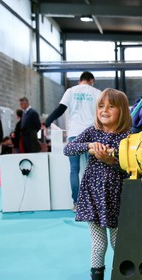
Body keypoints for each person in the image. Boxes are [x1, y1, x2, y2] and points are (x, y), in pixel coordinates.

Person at [63, 88, 131, 280]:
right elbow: (68, 149)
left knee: (118, 243)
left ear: (122, 111)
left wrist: (112, 161)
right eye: (101, 106)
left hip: (118, 196)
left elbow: (131, 165)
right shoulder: (91, 132)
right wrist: (89, 146)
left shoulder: (128, 136)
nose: (105, 110)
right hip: (93, 196)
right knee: (98, 243)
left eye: (111, 106)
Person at [45, 71, 101, 212]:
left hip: (74, 134)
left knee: (74, 170)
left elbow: (60, 109)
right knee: (92, 170)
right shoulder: (97, 92)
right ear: (92, 80)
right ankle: (93, 203)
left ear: (79, 81)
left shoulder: (70, 91)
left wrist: (46, 122)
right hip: (91, 134)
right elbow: (101, 114)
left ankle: (76, 203)